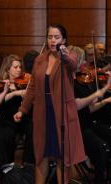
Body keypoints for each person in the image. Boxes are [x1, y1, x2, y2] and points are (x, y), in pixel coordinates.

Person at [13, 24, 86, 184]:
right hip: (42, 113)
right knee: (42, 155)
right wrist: (23, 109)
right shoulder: (40, 60)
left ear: (64, 40)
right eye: (50, 37)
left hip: (61, 114)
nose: (53, 40)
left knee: (62, 156)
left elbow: (73, 64)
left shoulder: (67, 57)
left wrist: (65, 54)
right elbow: (32, 86)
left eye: (57, 37)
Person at [0, 54, 35, 165]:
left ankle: (28, 164)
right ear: (7, 69)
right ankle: (8, 166)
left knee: (33, 130)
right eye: (15, 67)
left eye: (20, 67)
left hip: (23, 117)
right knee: (8, 135)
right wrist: (15, 93)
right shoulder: (1, 84)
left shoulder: (25, 82)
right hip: (8, 119)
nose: (19, 70)